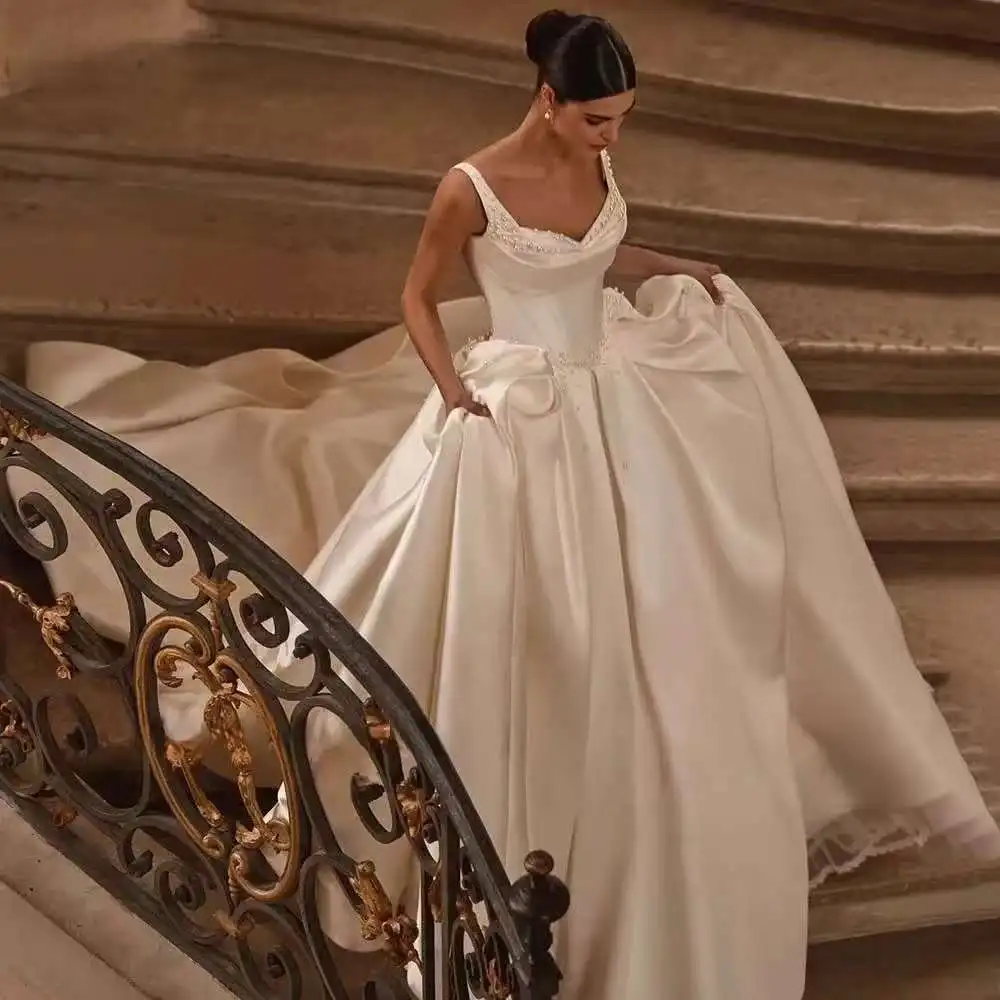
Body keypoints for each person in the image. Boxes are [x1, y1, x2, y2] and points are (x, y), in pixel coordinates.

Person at [25, 10, 1000, 1000]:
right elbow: (417, 298)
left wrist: (673, 269)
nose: (611, 136)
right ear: (549, 99)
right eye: (597, 119)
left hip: (612, 401)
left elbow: (598, 251)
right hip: (516, 409)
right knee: (513, 611)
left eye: (621, 118)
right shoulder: (472, 185)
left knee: (666, 595)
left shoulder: (597, 158)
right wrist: (453, 392)